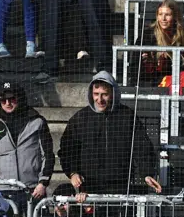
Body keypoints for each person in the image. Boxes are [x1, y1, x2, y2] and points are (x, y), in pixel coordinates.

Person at [58, 71, 163, 199]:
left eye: (104, 95)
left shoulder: (127, 116)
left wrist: (146, 173)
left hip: (121, 185)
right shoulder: (80, 118)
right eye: (96, 94)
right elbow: (68, 149)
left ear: (113, 94)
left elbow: (141, 146)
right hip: (90, 185)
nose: (99, 99)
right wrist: (73, 172)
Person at [0, 81, 55, 206]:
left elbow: (48, 155)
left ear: (20, 98)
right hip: (5, 191)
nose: (8, 103)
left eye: (12, 99)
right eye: (3, 100)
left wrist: (43, 183)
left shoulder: (37, 121)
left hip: (33, 190)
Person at [140, 0, 184, 84]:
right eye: (160, 14)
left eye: (167, 15)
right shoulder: (148, 35)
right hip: (154, 83)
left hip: (178, 81)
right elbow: (136, 65)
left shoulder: (182, 35)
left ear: (175, 16)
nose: (163, 18)